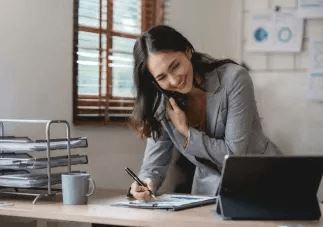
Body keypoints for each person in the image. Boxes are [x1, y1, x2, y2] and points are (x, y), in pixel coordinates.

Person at [129, 25, 281, 200]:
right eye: (162, 77)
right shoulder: (163, 105)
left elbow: (234, 156)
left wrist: (187, 132)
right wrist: (146, 183)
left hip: (263, 183)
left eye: (175, 66)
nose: (173, 80)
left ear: (187, 51)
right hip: (208, 195)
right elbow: (153, 166)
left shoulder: (234, 79)